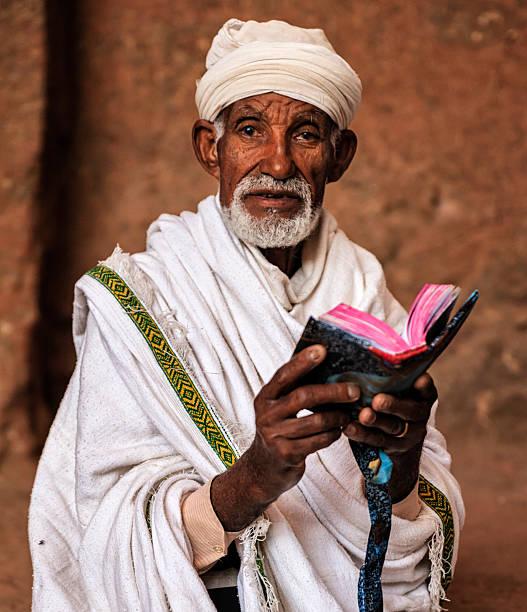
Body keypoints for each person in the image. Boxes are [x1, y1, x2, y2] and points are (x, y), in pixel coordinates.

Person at [29, 18, 464, 612]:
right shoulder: (146, 298)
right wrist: (256, 478)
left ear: (340, 156)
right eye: (251, 130)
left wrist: (404, 453)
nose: (278, 164)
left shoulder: (360, 287)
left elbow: (413, 518)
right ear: (211, 149)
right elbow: (104, 526)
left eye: (306, 135)